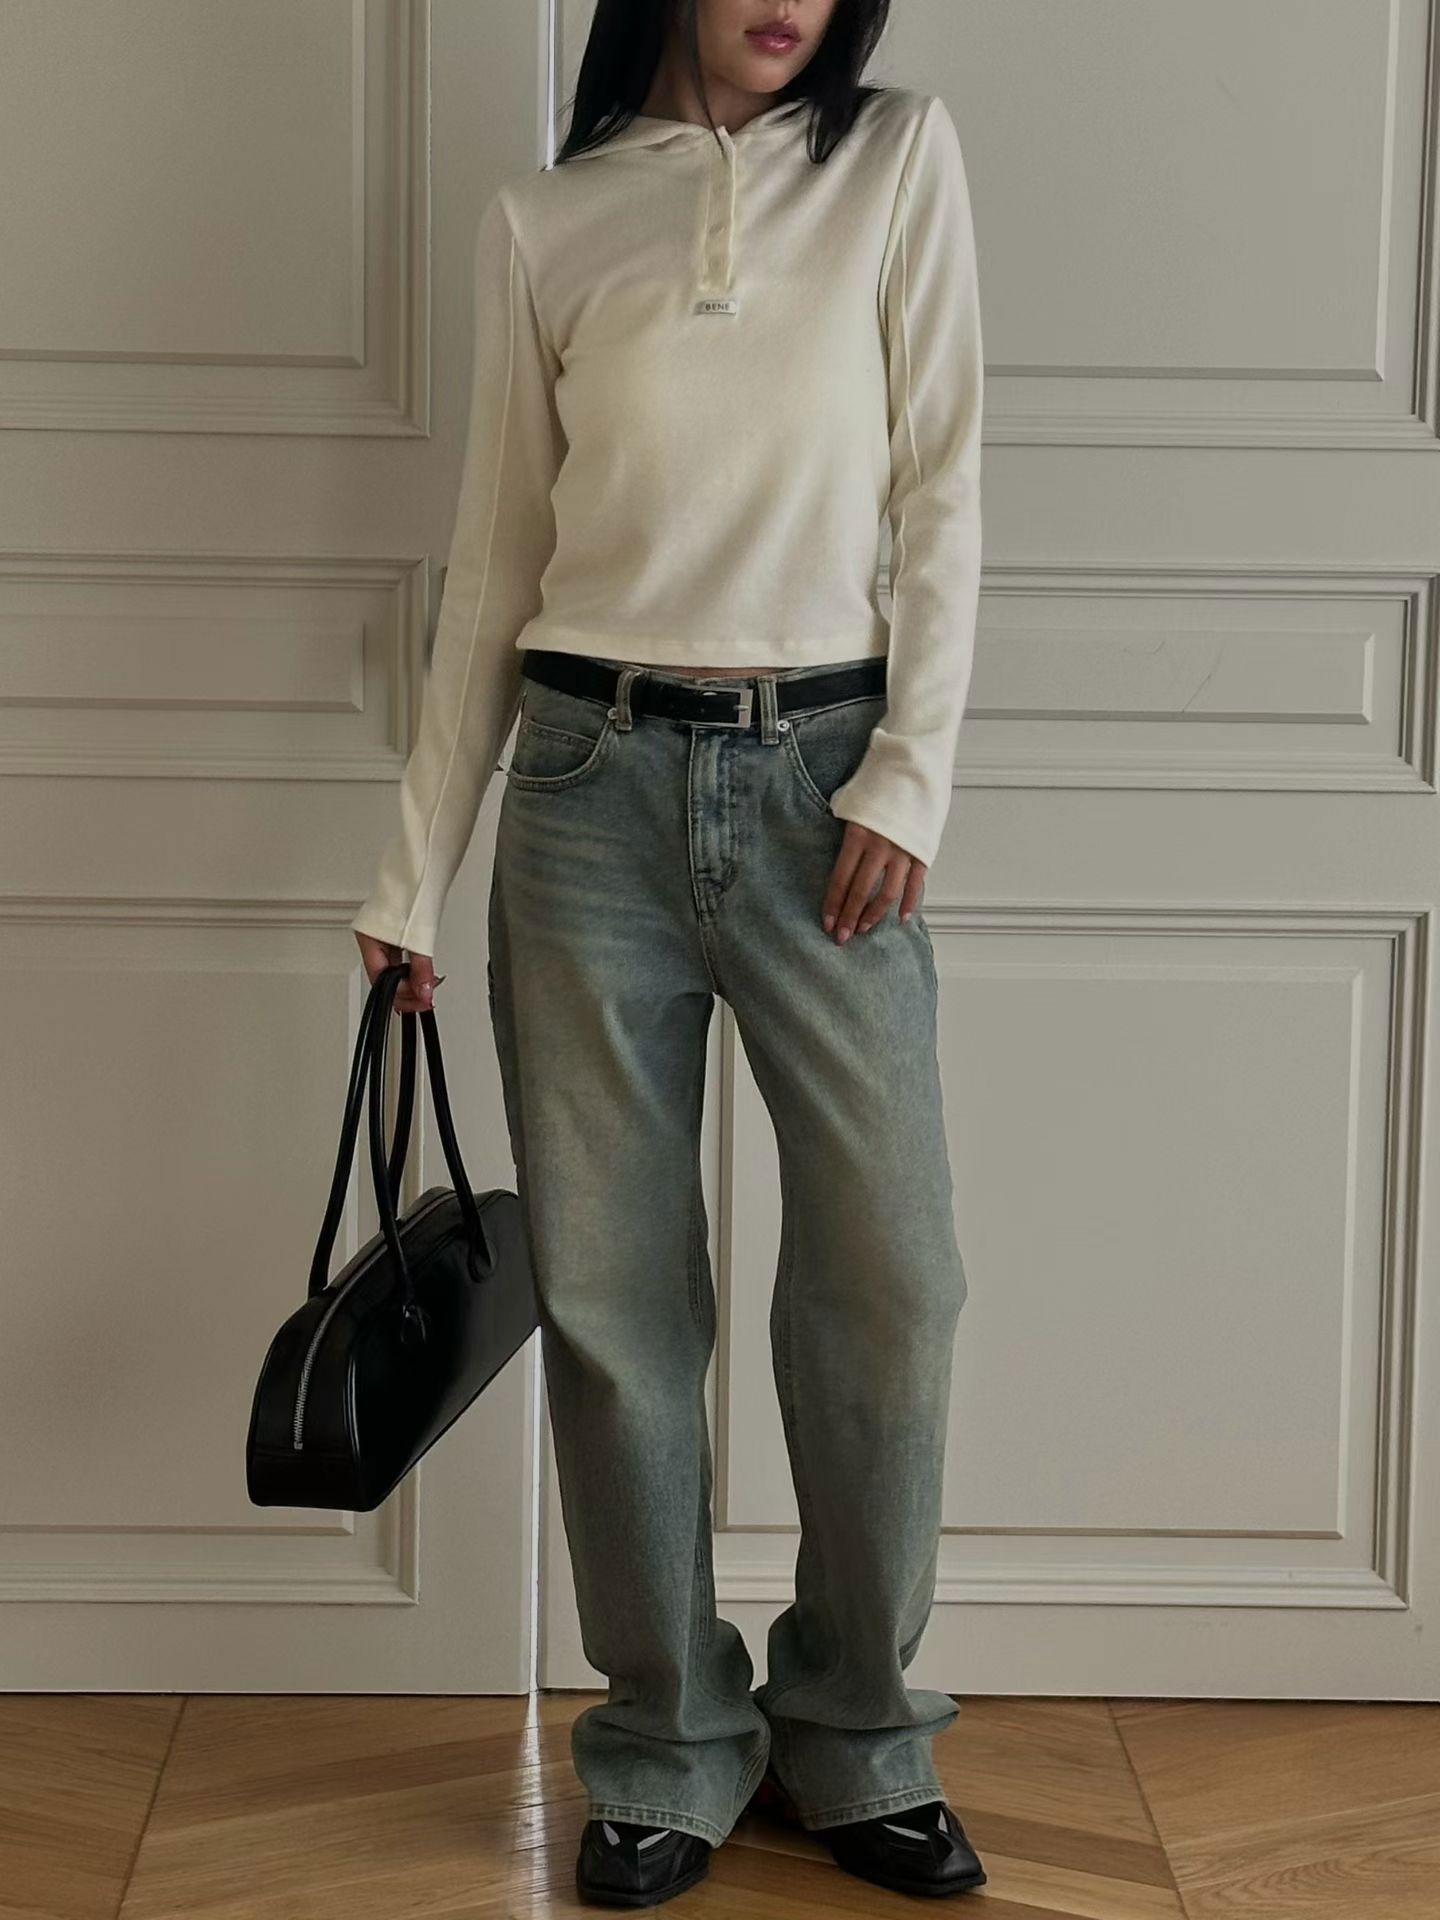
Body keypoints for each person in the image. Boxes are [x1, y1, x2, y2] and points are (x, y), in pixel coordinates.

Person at [352, 0, 985, 1904]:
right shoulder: (546, 219)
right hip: (584, 791)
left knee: (893, 1275)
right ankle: (667, 1743)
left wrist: (910, 775)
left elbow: (944, 477)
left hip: (824, 793)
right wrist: (411, 874)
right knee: (619, 1302)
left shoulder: (894, 158)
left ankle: (857, 1731)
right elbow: (494, 557)